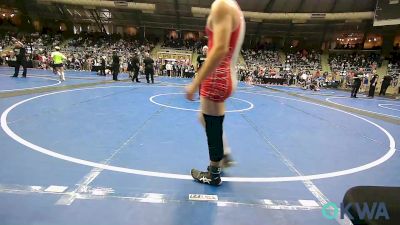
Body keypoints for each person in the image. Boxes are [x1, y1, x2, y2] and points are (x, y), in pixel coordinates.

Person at [185, 0, 245, 186]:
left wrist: (195, 83)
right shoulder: (233, 7)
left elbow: (219, 49)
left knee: (212, 126)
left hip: (216, 76)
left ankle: (213, 173)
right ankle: (223, 155)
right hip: (225, 74)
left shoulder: (221, 6)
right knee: (206, 120)